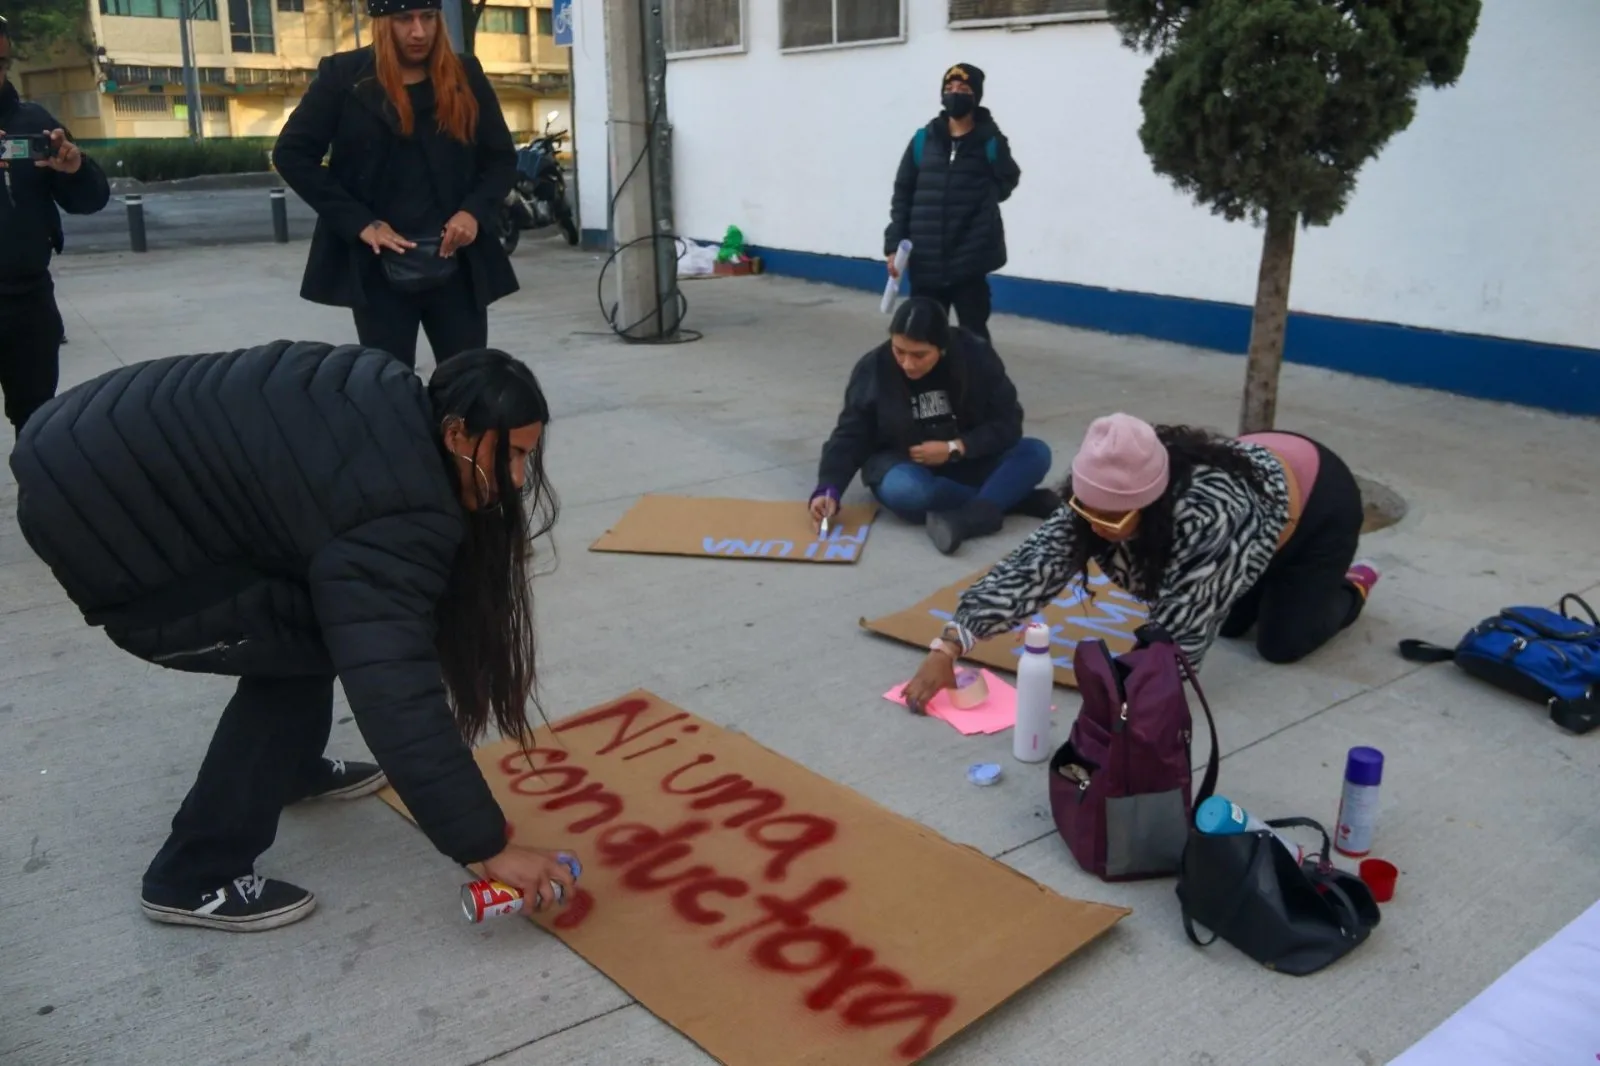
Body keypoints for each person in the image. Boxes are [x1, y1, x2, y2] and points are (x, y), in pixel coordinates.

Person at [10, 341, 578, 931]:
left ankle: (290, 766)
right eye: (509, 455)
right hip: (97, 515)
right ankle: (194, 875)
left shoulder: (396, 401)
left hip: (81, 442)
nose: (515, 479)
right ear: (458, 434)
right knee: (299, 654)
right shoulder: (398, 507)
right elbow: (394, 688)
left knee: (316, 619)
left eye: (525, 459)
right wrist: (486, 844)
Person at [902, 414, 1381, 708]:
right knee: (1234, 624)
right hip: (1259, 497)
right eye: (1087, 511)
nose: (1098, 527)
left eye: (1115, 518)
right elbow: (1031, 567)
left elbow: (1179, 634)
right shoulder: (1092, 502)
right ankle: (1263, 582)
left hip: (1317, 504)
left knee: (1281, 643)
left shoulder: (1211, 514)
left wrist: (1126, 698)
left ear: (1153, 504)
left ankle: (1350, 587)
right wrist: (949, 646)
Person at [271, 0, 518, 370]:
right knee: (388, 389)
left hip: (456, 266)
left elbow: (500, 158)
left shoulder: (464, 74)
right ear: (383, 22)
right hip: (379, 272)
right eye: (405, 19)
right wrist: (360, 223)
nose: (419, 31)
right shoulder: (344, 76)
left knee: (468, 386)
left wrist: (473, 213)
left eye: (428, 18)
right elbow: (292, 154)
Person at [810, 296, 1058, 555]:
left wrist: (957, 448)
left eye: (919, 355)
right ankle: (1006, 498)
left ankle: (976, 513)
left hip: (968, 458)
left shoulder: (976, 354)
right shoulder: (873, 368)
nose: (907, 363)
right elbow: (850, 434)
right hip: (905, 465)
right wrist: (828, 488)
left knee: (1036, 452)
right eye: (899, 351)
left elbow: (1008, 421)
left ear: (941, 347)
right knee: (907, 491)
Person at [0, 13, 110, 438]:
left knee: (37, 428)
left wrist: (75, 169)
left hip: (27, 303)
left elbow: (92, 199)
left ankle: (38, 504)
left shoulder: (33, 124)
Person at [883, 62, 1020, 343]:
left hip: (970, 261)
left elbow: (1008, 178)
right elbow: (903, 192)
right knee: (924, 337)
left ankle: (981, 386)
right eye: (949, 88)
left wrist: (984, 204)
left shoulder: (991, 141)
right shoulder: (924, 139)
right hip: (926, 261)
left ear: (976, 96)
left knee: (974, 338)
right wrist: (894, 244)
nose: (955, 94)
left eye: (963, 89)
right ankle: (933, 387)